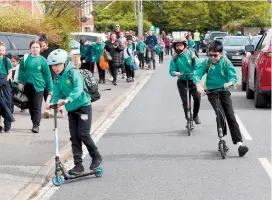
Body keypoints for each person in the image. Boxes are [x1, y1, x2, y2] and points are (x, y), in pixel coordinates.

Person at [47, 49, 102, 175]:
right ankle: (78, 165)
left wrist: (68, 99)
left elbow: (78, 89)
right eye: (53, 66)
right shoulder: (57, 78)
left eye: (57, 65)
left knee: (83, 134)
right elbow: (56, 93)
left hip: (83, 107)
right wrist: (53, 103)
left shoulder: (73, 73)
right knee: (74, 137)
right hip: (71, 110)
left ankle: (96, 156)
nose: (55, 68)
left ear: (65, 63)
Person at [192, 40, 249, 157]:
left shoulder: (225, 62)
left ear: (221, 53)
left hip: (224, 92)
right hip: (212, 92)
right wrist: (198, 85)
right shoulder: (207, 62)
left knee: (230, 116)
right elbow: (197, 74)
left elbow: (233, 76)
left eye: (215, 55)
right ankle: (222, 139)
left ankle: (239, 144)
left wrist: (230, 83)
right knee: (220, 114)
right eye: (210, 55)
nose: (212, 57)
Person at [18, 40, 53, 133]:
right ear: (30, 48)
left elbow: (47, 75)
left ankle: (36, 125)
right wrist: (20, 82)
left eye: (37, 47)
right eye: (33, 47)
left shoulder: (43, 60)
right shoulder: (25, 59)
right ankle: (34, 121)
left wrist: (50, 88)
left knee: (37, 106)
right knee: (29, 105)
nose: (35, 49)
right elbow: (21, 70)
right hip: (27, 85)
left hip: (39, 86)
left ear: (40, 48)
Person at [169, 37, 201, 125]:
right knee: (185, 101)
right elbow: (171, 71)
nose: (179, 47)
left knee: (197, 98)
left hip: (192, 79)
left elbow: (198, 66)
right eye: (177, 46)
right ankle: (188, 118)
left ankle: (195, 115)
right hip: (182, 81)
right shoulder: (174, 58)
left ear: (185, 46)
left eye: (180, 45)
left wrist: (195, 72)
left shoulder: (191, 55)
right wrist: (176, 73)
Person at [0, 41, 15, 132]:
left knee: (7, 104)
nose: (1, 51)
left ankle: (7, 124)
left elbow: (10, 73)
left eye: (2, 50)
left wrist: (6, 79)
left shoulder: (7, 60)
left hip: (5, 85)